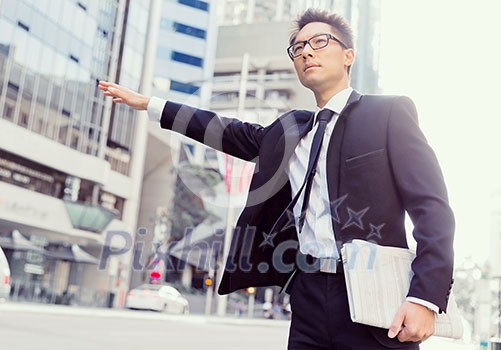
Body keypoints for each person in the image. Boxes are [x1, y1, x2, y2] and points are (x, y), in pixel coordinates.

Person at [98, 8, 454, 350]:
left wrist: (424, 297)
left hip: (374, 294)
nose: (305, 53)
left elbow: (432, 208)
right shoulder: (290, 130)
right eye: (297, 48)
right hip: (309, 295)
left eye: (319, 42)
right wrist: (151, 105)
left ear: (348, 55)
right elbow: (222, 129)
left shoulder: (388, 113)